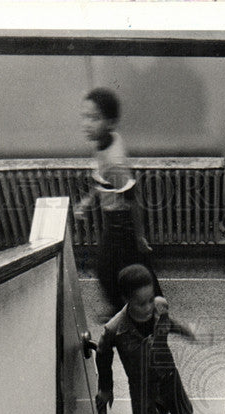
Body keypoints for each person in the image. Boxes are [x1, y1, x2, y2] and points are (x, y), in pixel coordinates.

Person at [96, 264, 195, 414]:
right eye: (142, 303)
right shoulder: (115, 329)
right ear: (126, 300)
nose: (149, 306)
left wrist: (186, 330)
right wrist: (106, 388)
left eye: (151, 299)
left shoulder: (159, 308)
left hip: (167, 373)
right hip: (141, 385)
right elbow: (103, 356)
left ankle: (162, 402)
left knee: (183, 413)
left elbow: (169, 323)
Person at [74, 87, 160, 309]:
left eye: (94, 118)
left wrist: (140, 237)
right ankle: (156, 304)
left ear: (111, 123)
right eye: (85, 117)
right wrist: (88, 200)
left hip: (122, 221)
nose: (86, 124)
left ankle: (123, 310)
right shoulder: (105, 141)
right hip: (113, 218)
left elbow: (133, 199)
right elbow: (103, 180)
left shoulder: (115, 161)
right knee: (135, 264)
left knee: (105, 268)